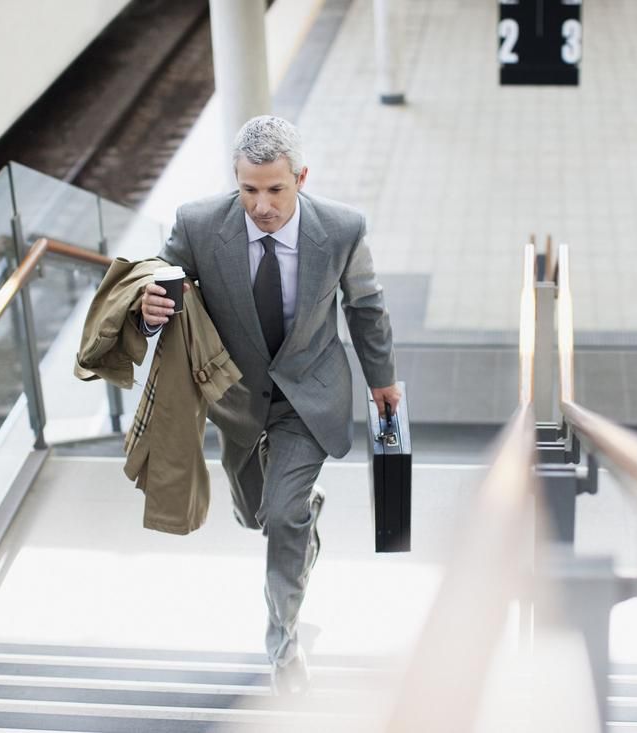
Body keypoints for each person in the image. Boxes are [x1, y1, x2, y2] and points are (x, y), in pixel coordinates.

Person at [140, 115, 399, 694]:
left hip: (308, 397)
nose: (261, 205)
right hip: (236, 400)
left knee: (283, 516)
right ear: (235, 179)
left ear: (301, 177)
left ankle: (282, 642)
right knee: (255, 513)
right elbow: (160, 276)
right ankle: (301, 511)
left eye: (275, 189)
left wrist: (383, 380)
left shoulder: (342, 230)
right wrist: (148, 306)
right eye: (249, 189)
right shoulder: (200, 224)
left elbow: (366, 306)